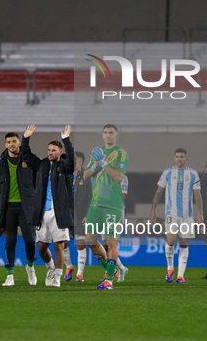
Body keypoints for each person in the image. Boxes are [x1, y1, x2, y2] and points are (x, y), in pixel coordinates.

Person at [23, 124, 74, 287]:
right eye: (49, 150)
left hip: (59, 212)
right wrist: (26, 139)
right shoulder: (41, 164)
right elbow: (26, 155)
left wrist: (66, 140)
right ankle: (51, 269)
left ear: (60, 152)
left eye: (53, 150)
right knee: (42, 248)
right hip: (41, 213)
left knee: (59, 246)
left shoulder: (65, 166)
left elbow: (72, 161)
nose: (50, 152)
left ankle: (57, 278)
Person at [0, 132, 38, 287]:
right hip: (8, 208)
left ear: (19, 143)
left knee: (30, 240)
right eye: (8, 142)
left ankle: (30, 267)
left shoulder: (29, 160)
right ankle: (9, 276)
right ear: (5, 145)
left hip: (26, 208)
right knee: (10, 241)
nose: (11, 144)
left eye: (14, 141)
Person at [83, 124, 128, 290]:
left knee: (111, 242)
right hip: (95, 204)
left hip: (112, 205)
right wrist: (95, 164)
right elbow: (86, 175)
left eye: (111, 132)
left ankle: (108, 280)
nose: (108, 135)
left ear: (116, 135)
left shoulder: (121, 153)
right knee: (89, 240)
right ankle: (111, 270)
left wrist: (102, 163)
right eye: (105, 132)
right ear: (102, 135)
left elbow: (118, 177)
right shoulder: (97, 153)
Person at [150, 148, 203, 284]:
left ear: (186, 158)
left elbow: (197, 195)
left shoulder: (193, 174)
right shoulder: (168, 172)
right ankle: (169, 268)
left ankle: (180, 276)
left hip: (187, 216)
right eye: (177, 156)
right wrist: (153, 210)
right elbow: (158, 192)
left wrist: (200, 213)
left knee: (184, 244)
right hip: (171, 214)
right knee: (171, 241)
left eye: (182, 157)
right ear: (174, 158)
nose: (179, 159)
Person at [72, 151, 92, 282]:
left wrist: (87, 214)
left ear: (81, 162)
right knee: (62, 244)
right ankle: (68, 267)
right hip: (67, 214)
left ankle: (79, 274)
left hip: (80, 216)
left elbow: (90, 197)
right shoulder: (65, 174)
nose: (74, 162)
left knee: (81, 244)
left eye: (77, 160)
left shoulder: (86, 176)